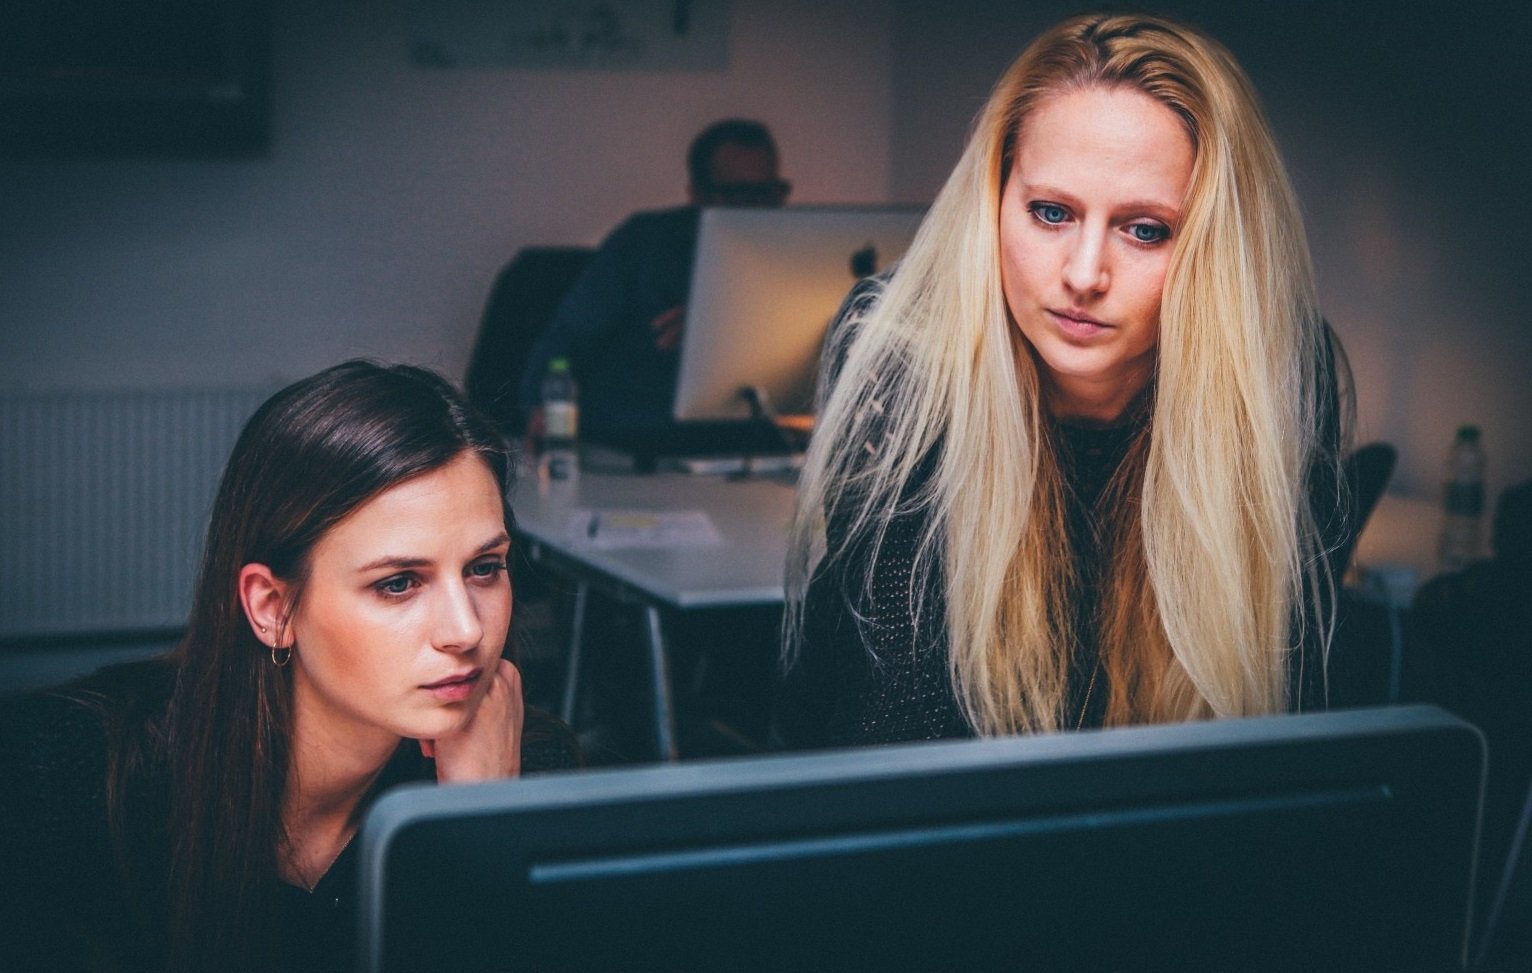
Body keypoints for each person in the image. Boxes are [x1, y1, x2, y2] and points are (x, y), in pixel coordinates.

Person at [777, 12, 1350, 750]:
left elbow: (1274, 731)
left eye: (1146, 229)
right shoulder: (905, 354)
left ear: (1216, 247)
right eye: (1051, 212)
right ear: (995, 200)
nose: (1084, 275)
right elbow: (899, 729)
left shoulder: (1281, 373)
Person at [0, 361, 578, 972]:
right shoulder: (65, 778)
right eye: (399, 583)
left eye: (485, 568)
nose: (467, 631)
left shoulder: (515, 773)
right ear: (273, 608)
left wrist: (478, 830)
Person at [517, 118, 791, 442]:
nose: (758, 210)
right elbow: (567, 339)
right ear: (697, 193)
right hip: (638, 439)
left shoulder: (789, 258)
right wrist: (543, 413)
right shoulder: (645, 243)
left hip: (751, 441)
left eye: (769, 193)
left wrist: (728, 329)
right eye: (739, 195)